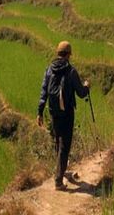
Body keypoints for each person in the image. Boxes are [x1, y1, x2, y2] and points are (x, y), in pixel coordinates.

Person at [37, 41, 90, 191]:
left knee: (57, 140)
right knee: (64, 145)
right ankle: (58, 181)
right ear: (68, 55)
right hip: (67, 113)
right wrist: (87, 87)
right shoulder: (71, 71)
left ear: (57, 53)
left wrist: (40, 112)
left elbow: (43, 92)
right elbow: (81, 93)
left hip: (53, 112)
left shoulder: (49, 70)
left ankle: (62, 170)